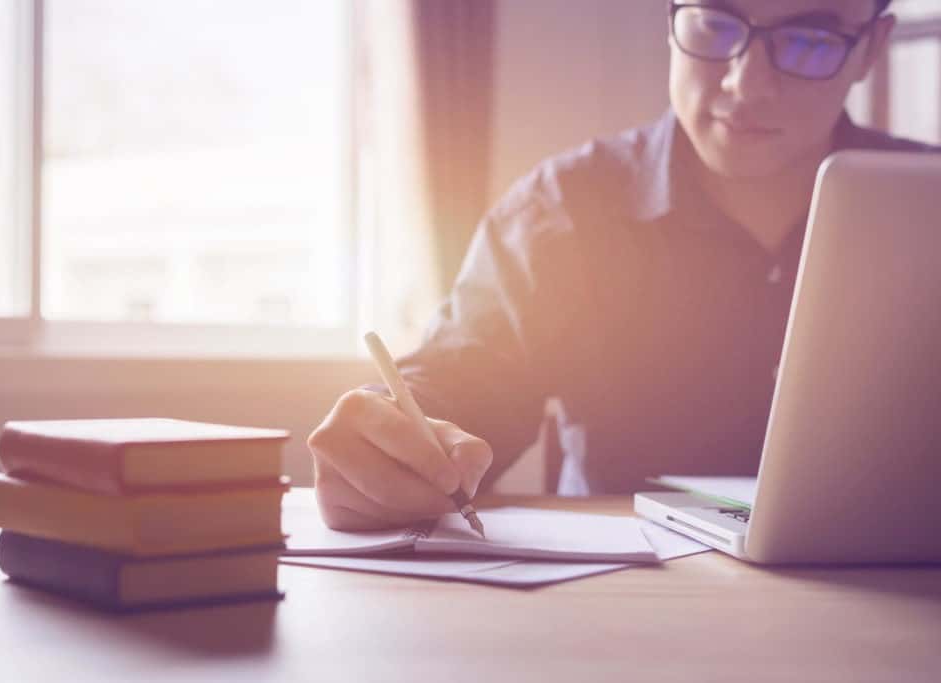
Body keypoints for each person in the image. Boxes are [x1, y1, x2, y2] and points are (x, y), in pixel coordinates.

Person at [308, 0, 938, 530]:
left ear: (872, 48)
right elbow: (459, 385)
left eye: (808, 42)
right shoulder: (565, 210)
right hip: (624, 615)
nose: (746, 83)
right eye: (715, 25)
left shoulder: (927, 206)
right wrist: (390, 435)